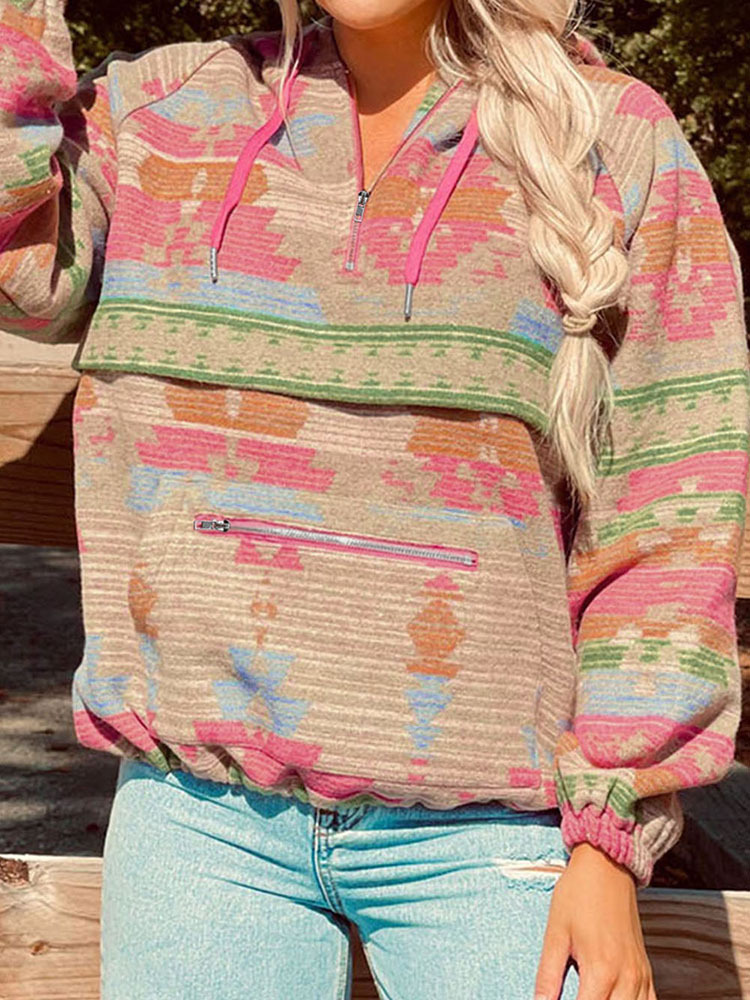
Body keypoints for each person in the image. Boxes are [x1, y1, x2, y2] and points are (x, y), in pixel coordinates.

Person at [2, 0, 748, 996]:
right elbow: (21, 259)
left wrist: (610, 835)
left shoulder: (612, 137)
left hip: (495, 835)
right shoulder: (159, 115)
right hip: (201, 822)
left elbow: (668, 515)